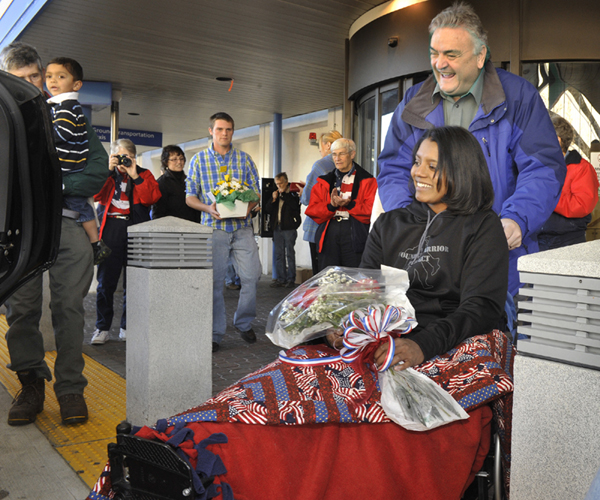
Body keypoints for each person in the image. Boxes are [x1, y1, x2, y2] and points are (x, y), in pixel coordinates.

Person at [376, 2, 566, 297]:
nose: (440, 63)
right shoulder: (414, 101)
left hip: (497, 257)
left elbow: (542, 167)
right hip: (427, 260)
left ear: (480, 57)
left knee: (498, 340)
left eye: (451, 54)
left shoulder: (518, 97)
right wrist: (408, 223)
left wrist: (517, 219)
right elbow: (392, 169)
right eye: (434, 53)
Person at [0, 42, 109, 426]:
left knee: (70, 307)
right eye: (22, 80)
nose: (32, 86)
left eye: (36, 77)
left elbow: (98, 171)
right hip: (19, 230)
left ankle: (70, 389)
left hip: (65, 222)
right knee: (22, 308)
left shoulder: (63, 114)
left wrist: (52, 188)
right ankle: (30, 385)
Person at [358, 126, 509, 369]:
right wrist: (344, 325)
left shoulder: (482, 226)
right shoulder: (388, 224)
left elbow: (481, 308)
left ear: (461, 171)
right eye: (417, 162)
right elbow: (365, 292)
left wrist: (423, 345)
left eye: (433, 166)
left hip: (452, 344)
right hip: (388, 342)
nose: (419, 173)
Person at [186, 112, 262, 353]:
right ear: (211, 131)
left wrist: (247, 208)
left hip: (242, 228)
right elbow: (189, 197)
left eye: (228, 129)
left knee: (252, 276)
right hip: (214, 229)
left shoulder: (244, 159)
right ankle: (215, 333)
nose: (224, 133)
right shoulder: (198, 160)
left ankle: (243, 321)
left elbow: (256, 192)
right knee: (215, 283)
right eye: (219, 129)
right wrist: (207, 207)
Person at [91, 139, 161, 345]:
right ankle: (102, 328)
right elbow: (95, 194)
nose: (124, 161)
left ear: (134, 157)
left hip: (135, 229)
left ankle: (127, 326)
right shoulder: (108, 174)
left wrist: (134, 175)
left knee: (135, 283)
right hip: (111, 228)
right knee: (106, 283)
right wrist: (108, 170)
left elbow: (152, 198)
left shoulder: (143, 174)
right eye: (120, 156)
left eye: (128, 157)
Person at [45, 57, 111, 265]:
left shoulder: (65, 105)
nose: (53, 80)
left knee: (80, 207)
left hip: (70, 170)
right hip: (68, 170)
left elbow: (62, 133)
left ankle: (96, 244)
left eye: (61, 76)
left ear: (76, 84)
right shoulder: (60, 105)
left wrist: (42, 136)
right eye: (49, 76)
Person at [305, 138, 377, 271]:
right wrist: (331, 206)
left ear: (352, 154)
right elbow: (312, 210)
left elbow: (372, 212)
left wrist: (350, 205)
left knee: (355, 277)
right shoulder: (324, 181)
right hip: (330, 232)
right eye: (334, 154)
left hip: (354, 232)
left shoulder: (368, 180)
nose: (337, 158)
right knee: (329, 277)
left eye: (341, 154)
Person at [537, 116, 599, 251]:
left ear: (557, 140)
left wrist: (546, 195)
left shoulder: (582, 168)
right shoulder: (539, 165)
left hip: (568, 241)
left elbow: (581, 206)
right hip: (537, 238)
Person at [300, 130, 342, 275]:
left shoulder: (321, 165)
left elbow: (307, 198)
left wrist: (303, 191)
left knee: (320, 275)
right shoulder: (348, 164)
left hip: (319, 226)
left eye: (320, 145)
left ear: (329, 145)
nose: (319, 149)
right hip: (341, 226)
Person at [265, 172, 301, 288]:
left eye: (280, 184)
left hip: (289, 228)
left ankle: (291, 279)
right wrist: (273, 199)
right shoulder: (276, 194)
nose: (278, 186)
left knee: (289, 253)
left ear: (286, 182)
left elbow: (294, 206)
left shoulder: (293, 193)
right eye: (277, 184)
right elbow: (267, 209)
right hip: (277, 227)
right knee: (279, 254)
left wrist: (283, 195)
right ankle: (281, 279)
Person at [151, 145, 200, 222]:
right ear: (166, 162)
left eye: (181, 159)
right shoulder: (161, 183)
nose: (179, 162)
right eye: (174, 159)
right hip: (171, 228)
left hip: (192, 226)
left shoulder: (190, 180)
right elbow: (157, 212)